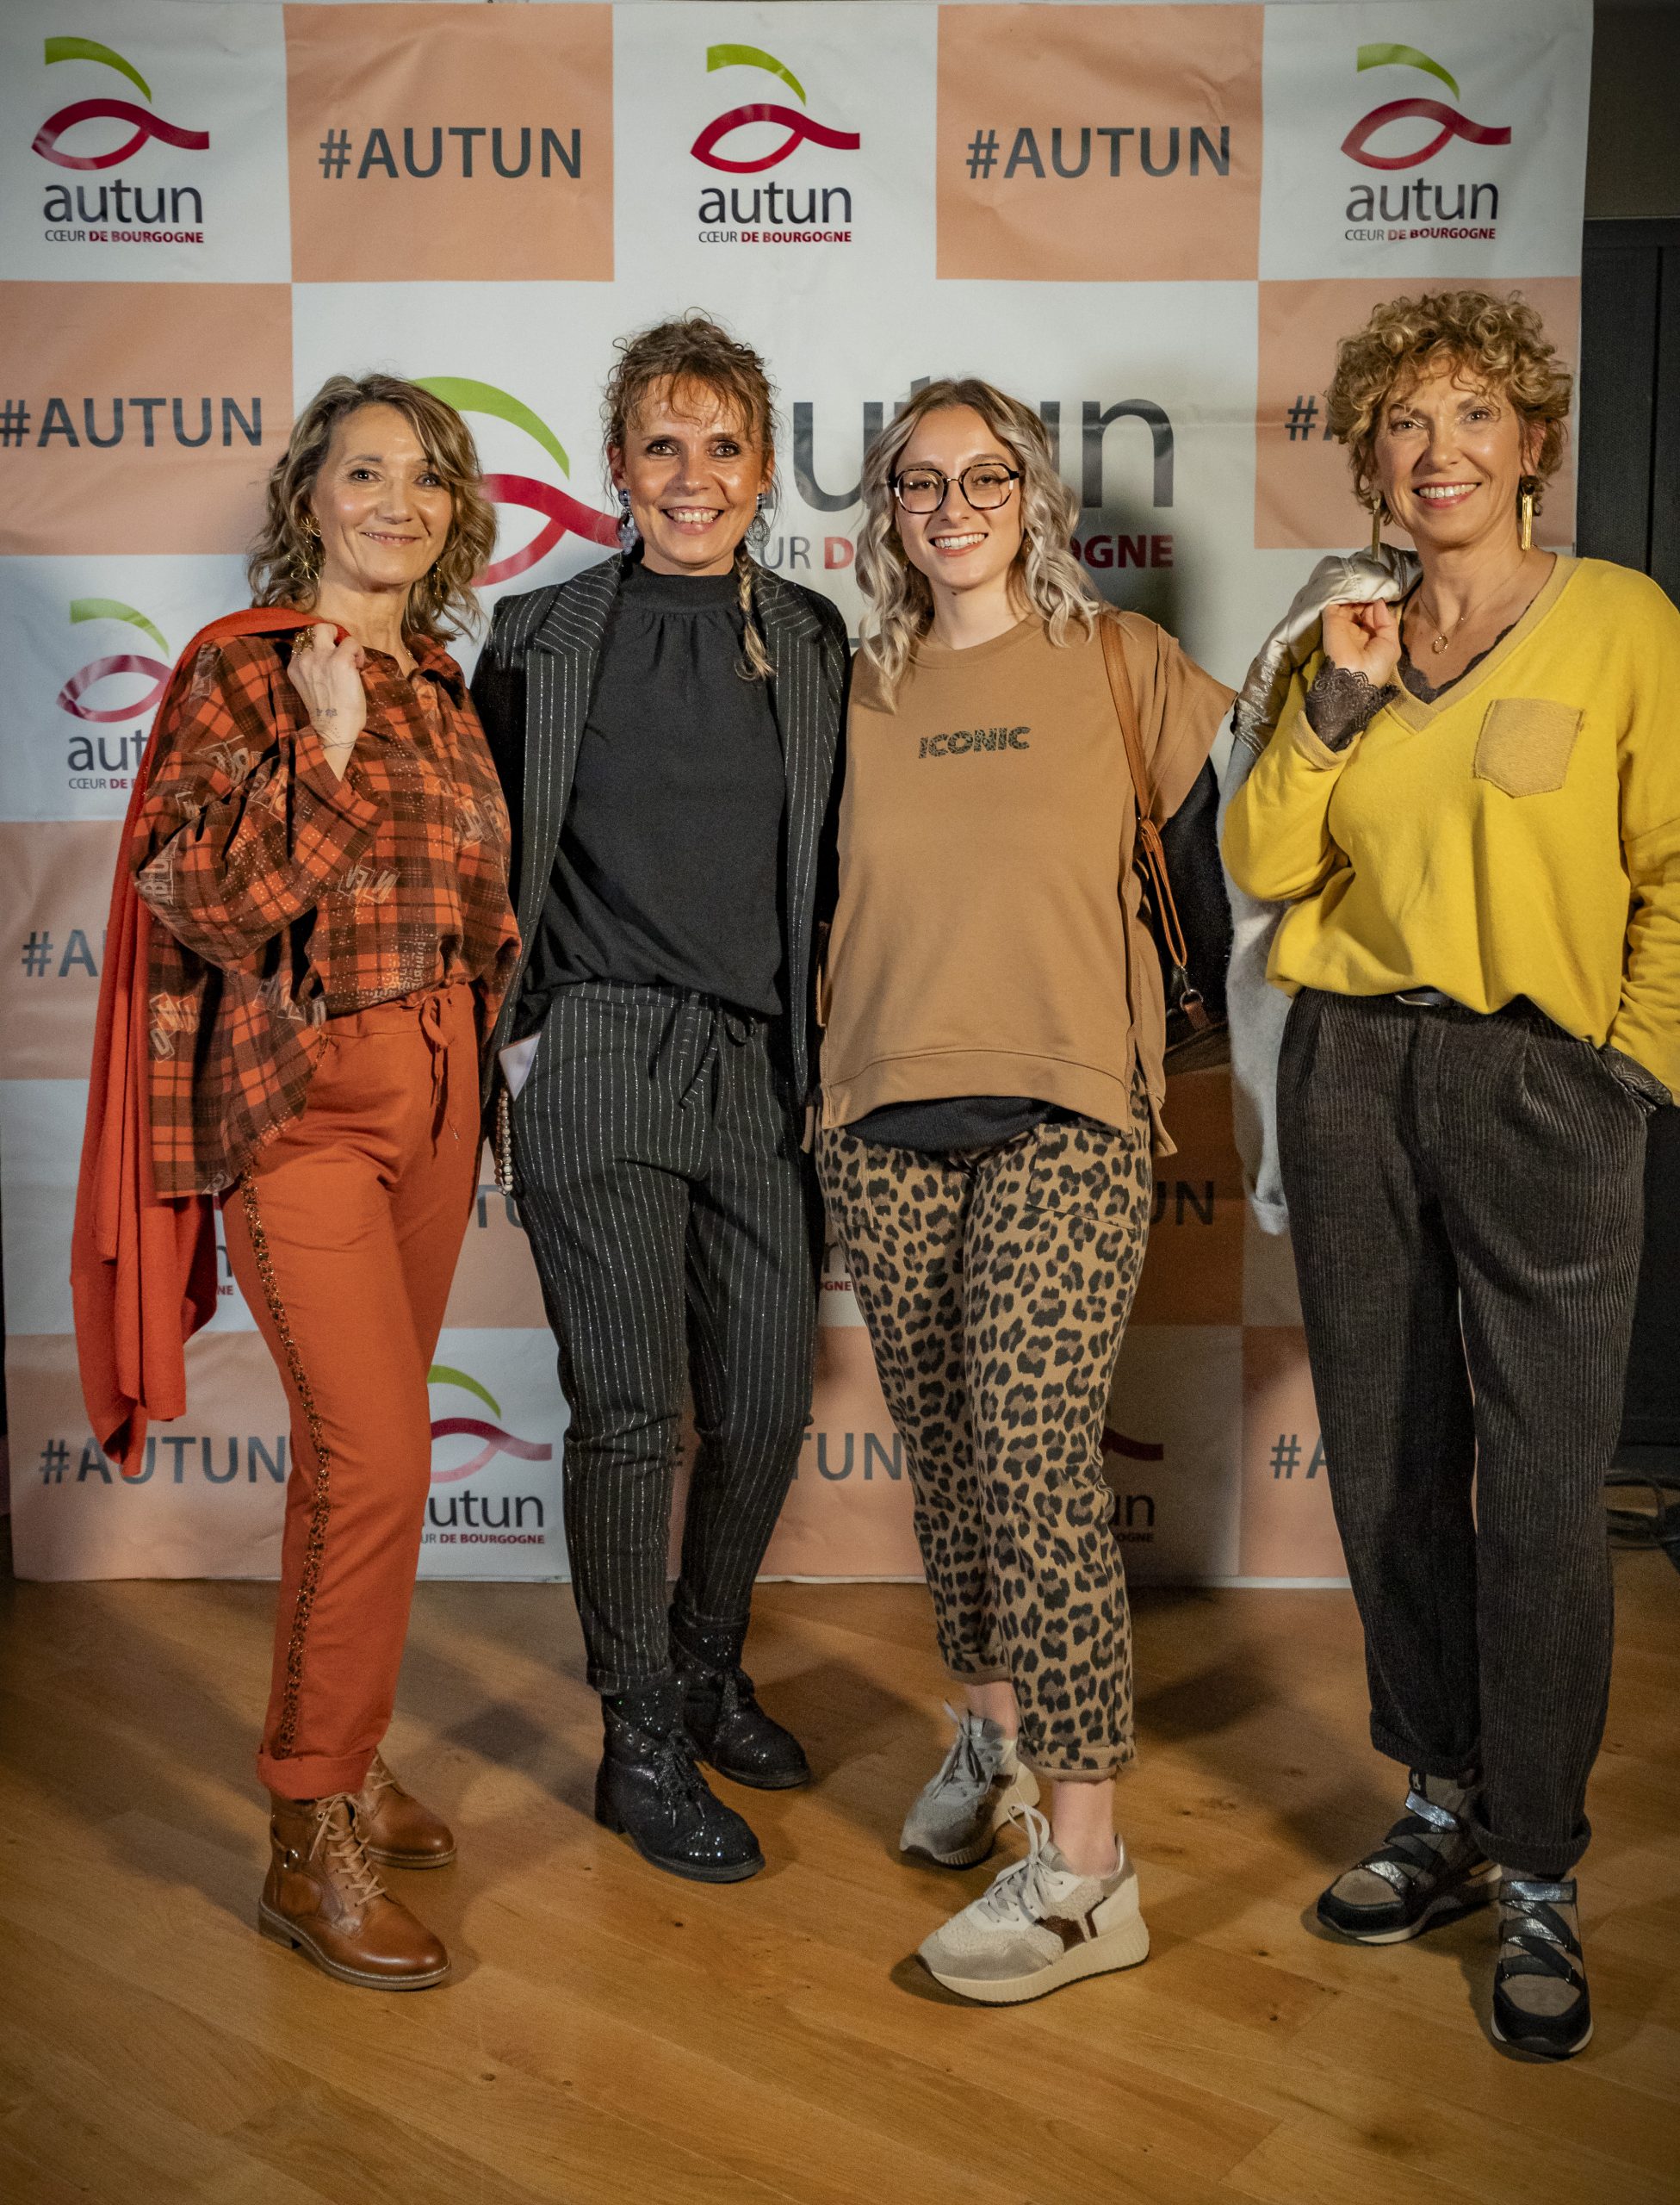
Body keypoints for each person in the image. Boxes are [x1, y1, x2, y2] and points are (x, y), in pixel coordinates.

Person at [1223, 289, 1680, 2060]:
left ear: (1533, 441)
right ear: (1369, 457)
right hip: (1352, 1071)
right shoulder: (1335, 632)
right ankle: (1438, 1798)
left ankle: (1541, 1859)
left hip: (1541, 1080)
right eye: (1404, 423)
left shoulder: (1622, 623)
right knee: (1391, 1467)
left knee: (1546, 1493)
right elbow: (1266, 855)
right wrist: (1335, 703)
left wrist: (1630, 1071)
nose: (1439, 452)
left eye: (1474, 414)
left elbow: (1673, 866)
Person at [815, 377, 1231, 2003]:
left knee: (1037, 1453)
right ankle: (987, 1740)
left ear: (1035, 496)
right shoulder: (851, 684)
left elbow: (1237, 858)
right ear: (887, 511)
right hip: (880, 1112)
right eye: (920, 482)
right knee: (948, 1461)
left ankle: (1088, 1870)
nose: (953, 506)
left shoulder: (1121, 662)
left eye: (984, 476)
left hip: (1070, 1110)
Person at [114, 374, 518, 1990]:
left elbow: (479, 901)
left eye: (426, 479)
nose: (396, 503)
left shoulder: (448, 685)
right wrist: (329, 755)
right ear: (310, 500)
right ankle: (306, 1833)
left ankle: (348, 1748)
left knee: (357, 1465)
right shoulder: (243, 671)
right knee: (382, 1456)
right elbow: (200, 898)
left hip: (438, 1093)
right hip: (306, 1111)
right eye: (365, 473)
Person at [471, 314, 848, 1884]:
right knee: (631, 1416)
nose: (693, 476)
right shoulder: (538, 637)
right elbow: (479, 855)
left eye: (724, 445)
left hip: (761, 1065)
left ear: (765, 470)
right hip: (600, 1050)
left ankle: (703, 1666)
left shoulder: (814, 638)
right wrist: (516, 1048)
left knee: (761, 1406)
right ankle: (636, 1741)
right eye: (662, 445)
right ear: (616, 464)